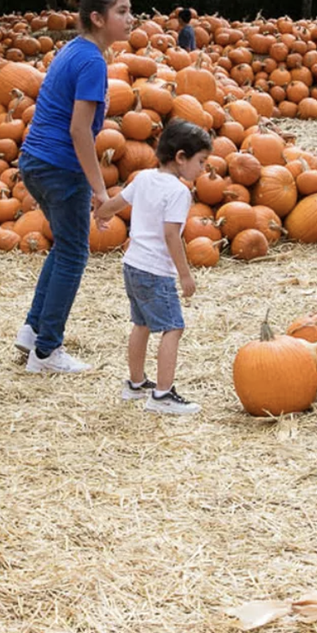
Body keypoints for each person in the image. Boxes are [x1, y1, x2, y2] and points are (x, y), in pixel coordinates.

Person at [14, 0, 134, 374]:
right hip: (60, 167)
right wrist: (100, 191)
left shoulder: (75, 50)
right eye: (122, 11)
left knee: (64, 247)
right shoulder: (92, 62)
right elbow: (79, 130)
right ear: (98, 18)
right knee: (74, 253)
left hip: (34, 160)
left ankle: (33, 332)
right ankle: (47, 352)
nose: (130, 19)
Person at [93, 119, 210, 415]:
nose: (203, 169)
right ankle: (162, 395)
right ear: (181, 157)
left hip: (132, 264)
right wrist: (185, 275)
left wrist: (100, 214)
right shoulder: (179, 192)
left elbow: (115, 204)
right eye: (201, 161)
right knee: (173, 327)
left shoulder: (143, 178)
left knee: (141, 323)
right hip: (156, 271)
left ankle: (134, 384)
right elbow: (171, 235)